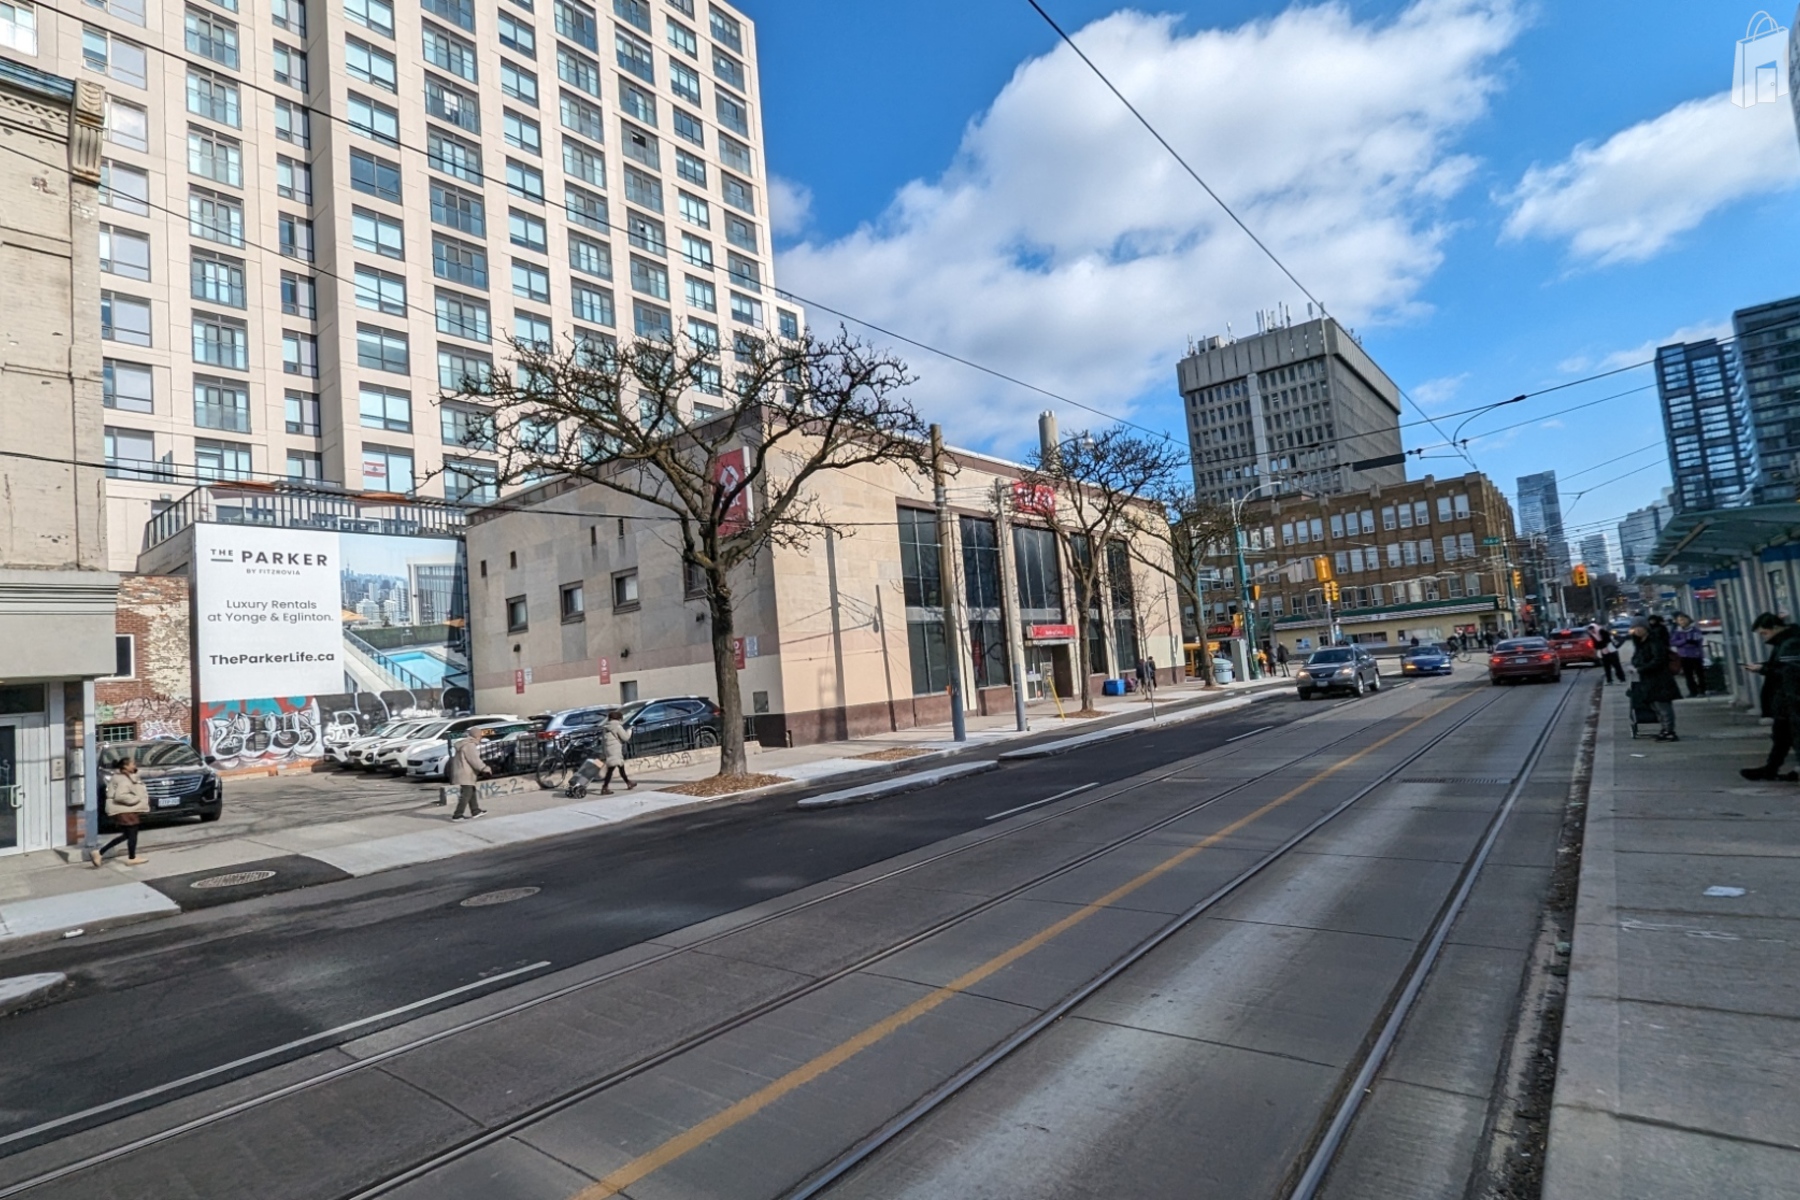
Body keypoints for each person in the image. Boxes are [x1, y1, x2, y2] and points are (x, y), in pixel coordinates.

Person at [1741, 613, 1800, 780]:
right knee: (1782, 736)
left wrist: (1762, 669)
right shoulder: (1786, 642)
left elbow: (1790, 672)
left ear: (1775, 628)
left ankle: (1773, 769)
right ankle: (1771, 768)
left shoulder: (1791, 643)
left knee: (1791, 735)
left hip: (1792, 698)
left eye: (1764, 633)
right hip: (1787, 699)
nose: (1763, 638)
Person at [90, 755, 150, 866]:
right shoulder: (123, 778)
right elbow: (120, 796)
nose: (135, 765)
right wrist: (136, 799)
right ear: (125, 766)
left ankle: (99, 853)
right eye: (132, 764)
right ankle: (131, 858)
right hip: (125, 810)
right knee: (132, 833)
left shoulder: (124, 776)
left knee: (128, 835)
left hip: (125, 810)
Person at [1628, 617, 1680, 741]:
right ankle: (1665, 729)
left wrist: (1640, 668)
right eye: (1634, 628)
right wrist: (1635, 665)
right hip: (1649, 680)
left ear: (1645, 628)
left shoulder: (1654, 641)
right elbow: (1637, 658)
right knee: (1655, 706)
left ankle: (1669, 731)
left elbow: (1658, 660)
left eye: (1639, 628)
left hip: (1660, 679)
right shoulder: (1640, 643)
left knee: (1663, 706)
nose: (1637, 631)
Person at [448, 727, 491, 820]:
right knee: (467, 793)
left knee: (471, 790)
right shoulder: (469, 745)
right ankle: (457, 814)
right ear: (477, 735)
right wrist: (485, 768)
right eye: (480, 735)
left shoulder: (465, 743)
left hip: (462, 771)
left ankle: (475, 811)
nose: (481, 737)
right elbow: (474, 760)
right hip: (466, 772)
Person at [598, 708, 637, 794]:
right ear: (619, 718)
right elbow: (625, 738)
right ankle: (604, 788)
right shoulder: (617, 726)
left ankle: (628, 783)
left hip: (609, 750)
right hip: (615, 750)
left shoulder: (606, 727)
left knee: (620, 766)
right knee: (611, 769)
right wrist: (629, 730)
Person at [1670, 613, 1707, 697]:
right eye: (1680, 620)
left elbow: (1699, 639)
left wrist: (1692, 642)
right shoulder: (1677, 632)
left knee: (1699, 674)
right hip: (1684, 656)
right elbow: (1672, 642)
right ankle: (1692, 691)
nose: (1682, 622)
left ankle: (1702, 691)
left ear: (1688, 619)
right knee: (1688, 675)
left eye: (1683, 619)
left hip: (1696, 655)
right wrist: (1684, 641)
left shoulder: (1695, 630)